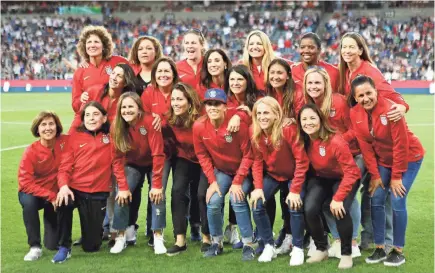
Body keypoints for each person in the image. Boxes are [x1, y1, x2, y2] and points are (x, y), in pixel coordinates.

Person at [349, 75, 425, 267]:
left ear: (376, 91)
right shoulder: (355, 113)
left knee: (398, 198)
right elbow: (366, 147)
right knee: (376, 197)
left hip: (409, 158)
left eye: (369, 93)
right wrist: (375, 175)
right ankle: (380, 247)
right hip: (384, 161)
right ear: (355, 97)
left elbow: (401, 145)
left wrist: (396, 177)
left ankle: (398, 250)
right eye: (360, 95)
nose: (366, 98)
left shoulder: (391, 109)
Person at [338, 31, 400, 250]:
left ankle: (381, 239)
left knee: (378, 192)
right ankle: (363, 236)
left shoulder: (369, 71)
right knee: (361, 190)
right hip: (358, 143)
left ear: (361, 49)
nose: (346, 50)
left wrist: (402, 106)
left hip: (376, 145)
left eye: (351, 47)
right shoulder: (345, 72)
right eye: (343, 47)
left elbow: (392, 96)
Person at [53, 101, 131, 263]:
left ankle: (90, 235)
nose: (91, 118)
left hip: (97, 193)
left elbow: (117, 165)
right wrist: (63, 186)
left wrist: (123, 188)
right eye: (87, 115)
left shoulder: (111, 139)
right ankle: (64, 247)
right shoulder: (74, 138)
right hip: (74, 190)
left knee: (91, 247)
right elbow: (65, 167)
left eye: (95, 114)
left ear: (104, 118)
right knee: (63, 201)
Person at [303, 66, 362, 258]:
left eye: (317, 82)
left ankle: (352, 242)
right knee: (322, 201)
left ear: (326, 83)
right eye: (309, 83)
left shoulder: (338, 101)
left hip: (351, 155)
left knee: (347, 199)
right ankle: (335, 240)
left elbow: (355, 129)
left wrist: (336, 143)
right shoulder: (307, 104)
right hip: (325, 161)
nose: (313, 86)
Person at [192, 88, 255, 260]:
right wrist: (212, 181)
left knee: (237, 198)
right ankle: (216, 242)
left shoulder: (237, 124)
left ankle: (249, 243)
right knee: (212, 201)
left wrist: (238, 181)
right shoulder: (199, 126)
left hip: (243, 172)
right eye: (209, 104)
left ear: (225, 107)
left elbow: (248, 154)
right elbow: (202, 155)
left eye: (217, 104)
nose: (212, 107)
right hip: (222, 171)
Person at [296, 103, 361, 269]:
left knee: (339, 209)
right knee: (309, 208)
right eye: (304, 119)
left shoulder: (336, 141)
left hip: (345, 177)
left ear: (321, 119)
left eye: (312, 118)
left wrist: (338, 198)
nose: (308, 122)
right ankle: (321, 248)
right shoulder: (304, 140)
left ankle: (346, 253)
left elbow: (352, 172)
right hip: (322, 177)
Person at [250, 97, 309, 265]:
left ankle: (297, 248)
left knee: (294, 205)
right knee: (257, 203)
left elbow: (302, 161)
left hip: (293, 176)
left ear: (276, 115)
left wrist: (295, 189)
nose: (262, 117)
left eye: (266, 113)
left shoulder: (288, 130)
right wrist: (258, 187)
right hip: (274, 175)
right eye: (259, 113)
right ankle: (269, 245)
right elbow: (257, 161)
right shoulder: (255, 131)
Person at [109, 92, 165, 254]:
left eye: (130, 107)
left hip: (154, 162)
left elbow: (158, 154)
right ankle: (121, 236)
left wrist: (156, 185)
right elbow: (117, 160)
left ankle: (158, 236)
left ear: (139, 108)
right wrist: (124, 187)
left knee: (158, 194)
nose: (126, 110)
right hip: (132, 164)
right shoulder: (116, 126)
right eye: (124, 107)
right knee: (121, 194)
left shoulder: (149, 122)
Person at [141, 56, 180, 254]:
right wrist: (151, 118)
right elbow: (143, 118)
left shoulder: (180, 91)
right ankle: (157, 235)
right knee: (158, 189)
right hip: (160, 151)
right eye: (160, 71)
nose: (163, 74)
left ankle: (192, 230)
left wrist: (163, 121)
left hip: (182, 150)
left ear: (173, 74)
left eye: (167, 71)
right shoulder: (148, 93)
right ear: (154, 75)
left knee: (181, 192)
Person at [18, 111, 67, 261]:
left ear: (57, 127)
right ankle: (35, 247)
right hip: (33, 193)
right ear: (37, 129)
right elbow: (25, 182)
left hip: (54, 194)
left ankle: (54, 238)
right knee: (30, 204)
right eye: (43, 124)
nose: (48, 128)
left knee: (52, 245)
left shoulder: (64, 143)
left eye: (51, 124)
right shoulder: (31, 151)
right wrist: (50, 196)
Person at [166, 83, 207, 255]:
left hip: (205, 160)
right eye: (173, 99)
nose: (175, 103)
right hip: (184, 158)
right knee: (177, 191)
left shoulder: (202, 119)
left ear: (190, 102)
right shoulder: (170, 119)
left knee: (202, 194)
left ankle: (207, 237)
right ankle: (180, 240)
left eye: (180, 99)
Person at [71, 25, 127, 131]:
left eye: (96, 42)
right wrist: (81, 99)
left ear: (104, 45)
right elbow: (75, 106)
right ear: (84, 47)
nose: (92, 45)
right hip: (90, 122)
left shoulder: (119, 62)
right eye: (89, 42)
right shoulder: (80, 71)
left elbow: (136, 74)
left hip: (115, 119)